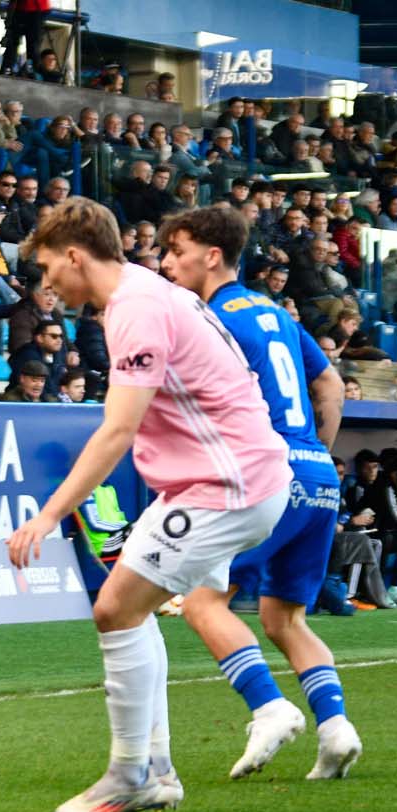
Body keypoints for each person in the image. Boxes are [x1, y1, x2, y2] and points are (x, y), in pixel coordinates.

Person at [7, 198, 293, 812]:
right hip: (221, 479)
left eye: (50, 265)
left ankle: (131, 773)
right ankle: (154, 771)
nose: (47, 281)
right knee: (128, 612)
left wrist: (49, 516)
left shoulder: (136, 307)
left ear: (77, 255)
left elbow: (117, 430)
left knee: (116, 607)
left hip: (227, 483)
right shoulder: (144, 291)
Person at [159, 205, 360, 781]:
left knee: (201, 599)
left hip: (268, 474)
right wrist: (315, 450)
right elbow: (328, 384)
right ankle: (336, 727)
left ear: (212, 256)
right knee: (284, 618)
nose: (169, 263)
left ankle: (268, 708)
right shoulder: (274, 311)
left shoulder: (209, 319)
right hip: (317, 474)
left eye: (178, 251)